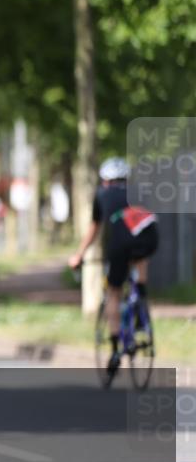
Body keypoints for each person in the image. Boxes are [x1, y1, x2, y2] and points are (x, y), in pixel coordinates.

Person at [68, 157, 159, 376]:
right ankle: (141, 300)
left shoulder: (102, 195)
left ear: (105, 180)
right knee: (139, 254)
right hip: (150, 237)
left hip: (120, 243)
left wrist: (79, 255)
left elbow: (94, 229)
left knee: (114, 292)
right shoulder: (139, 191)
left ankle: (116, 347)